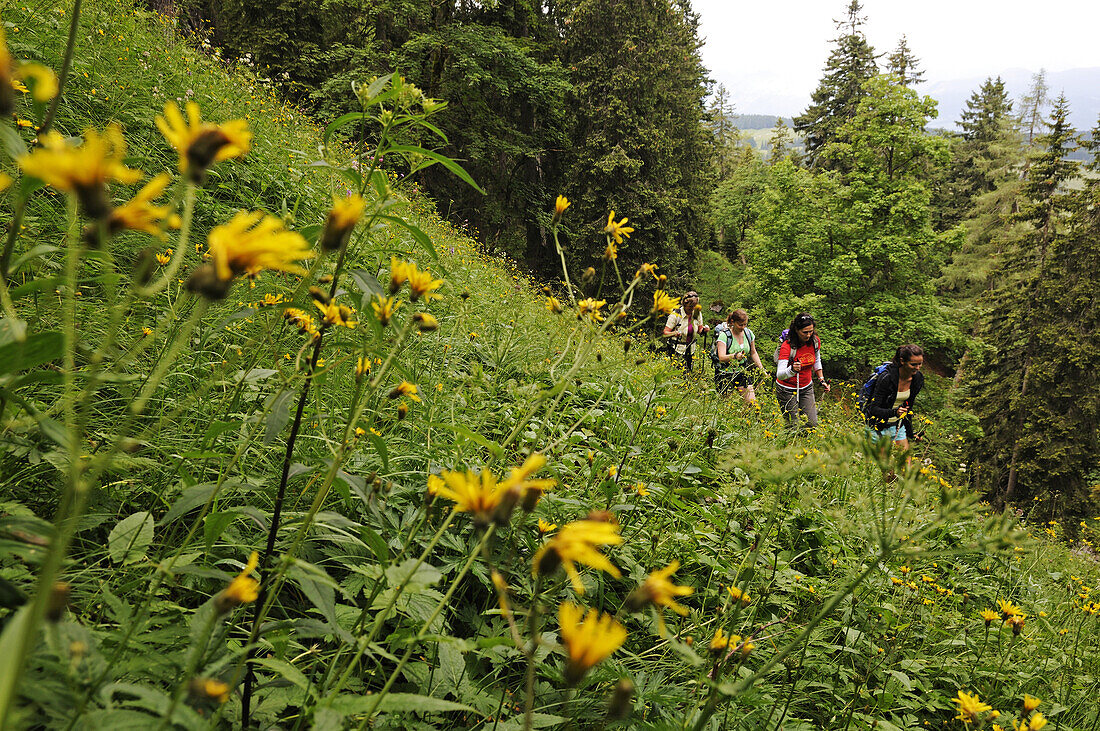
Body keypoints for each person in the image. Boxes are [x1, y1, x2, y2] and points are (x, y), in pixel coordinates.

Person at [775, 312, 830, 430]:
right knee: (793, 426)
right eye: (805, 332)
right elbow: (779, 374)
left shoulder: (815, 341)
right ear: (796, 330)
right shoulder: (787, 346)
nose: (809, 335)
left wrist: (821, 379)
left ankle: (805, 446)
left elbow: (816, 360)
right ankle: (791, 446)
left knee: (812, 424)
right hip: (786, 389)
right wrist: (792, 370)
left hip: (806, 387)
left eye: (811, 331)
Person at [865, 344, 924, 451]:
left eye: (920, 364)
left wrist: (911, 434)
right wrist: (895, 413)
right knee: (886, 466)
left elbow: (908, 408)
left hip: (897, 426)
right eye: (913, 364)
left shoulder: (918, 378)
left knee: (906, 466)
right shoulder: (886, 378)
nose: (917, 368)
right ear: (902, 361)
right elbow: (873, 409)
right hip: (877, 427)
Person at [714, 309, 767, 402]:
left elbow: (753, 352)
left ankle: (745, 416)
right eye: (740, 325)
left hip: (742, 371)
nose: (743, 327)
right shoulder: (724, 336)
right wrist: (734, 356)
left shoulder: (748, 333)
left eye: (745, 324)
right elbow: (721, 357)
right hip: (724, 373)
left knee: (751, 403)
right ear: (732, 322)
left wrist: (761, 369)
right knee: (726, 405)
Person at [663, 290, 708, 371]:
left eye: (695, 306)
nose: (692, 309)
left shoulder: (697, 313)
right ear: (684, 304)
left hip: (691, 349)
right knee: (678, 371)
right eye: (690, 306)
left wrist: (704, 330)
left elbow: (699, 329)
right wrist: (674, 333)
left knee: (688, 371)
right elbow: (665, 332)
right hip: (677, 348)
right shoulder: (675, 315)